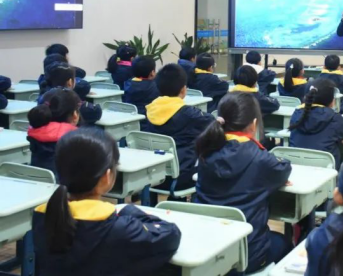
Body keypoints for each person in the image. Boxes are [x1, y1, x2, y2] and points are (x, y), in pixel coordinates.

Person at [33, 128, 181, 275]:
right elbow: (171, 235)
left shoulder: (43, 216)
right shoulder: (119, 228)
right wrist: (129, 210)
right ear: (107, 176)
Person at [195, 93, 292, 273]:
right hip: (248, 255)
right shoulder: (261, 159)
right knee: (285, 243)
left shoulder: (205, 152)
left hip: (208, 250)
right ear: (254, 124)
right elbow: (283, 169)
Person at [146, 64, 214, 192]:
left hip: (153, 175)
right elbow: (212, 122)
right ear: (183, 90)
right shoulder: (190, 114)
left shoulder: (150, 109)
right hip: (182, 177)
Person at [289, 79, 343, 169]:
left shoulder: (296, 114)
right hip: (326, 171)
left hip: (297, 168)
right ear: (332, 101)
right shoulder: (334, 118)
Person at [27, 88, 81, 175]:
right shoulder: (78, 141)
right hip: (64, 183)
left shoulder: (35, 135)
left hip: (36, 182)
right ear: (75, 115)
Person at [123, 56, 160, 131]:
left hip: (131, 125)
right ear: (152, 73)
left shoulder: (128, 84)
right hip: (150, 126)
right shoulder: (155, 87)